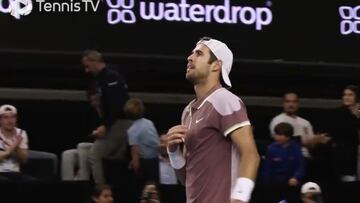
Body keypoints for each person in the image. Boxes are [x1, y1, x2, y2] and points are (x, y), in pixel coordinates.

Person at [166, 37, 260, 203]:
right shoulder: (187, 111)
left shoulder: (224, 99)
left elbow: (251, 155)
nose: (190, 57)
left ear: (216, 65)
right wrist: (173, 153)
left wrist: (239, 198)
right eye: (191, 53)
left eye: (199, 54)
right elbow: (186, 180)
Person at [82, 49, 132, 183]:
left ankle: (101, 190)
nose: (86, 70)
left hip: (120, 123)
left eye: (87, 66)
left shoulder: (111, 77)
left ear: (95, 62)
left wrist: (106, 126)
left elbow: (117, 104)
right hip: (114, 124)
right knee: (112, 158)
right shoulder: (100, 79)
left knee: (94, 155)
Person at [269, 92, 330, 158]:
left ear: (298, 104)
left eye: (294, 102)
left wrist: (318, 140)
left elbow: (311, 145)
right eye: (288, 101)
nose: (291, 104)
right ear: (283, 104)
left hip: (306, 157)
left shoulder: (305, 122)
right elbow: (280, 140)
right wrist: (307, 141)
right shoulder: (278, 120)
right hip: (286, 156)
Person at [61, 88, 100, 181]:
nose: (94, 103)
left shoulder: (109, 113)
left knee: (82, 146)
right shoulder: (92, 113)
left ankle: (83, 181)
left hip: (104, 146)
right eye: (92, 101)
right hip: (92, 146)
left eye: (96, 100)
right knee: (67, 154)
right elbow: (89, 135)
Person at [262, 122, 304, 203]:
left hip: (291, 182)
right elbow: (267, 169)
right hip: (275, 183)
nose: (276, 137)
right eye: (276, 134)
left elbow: (300, 166)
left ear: (288, 137)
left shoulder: (296, 148)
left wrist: (296, 177)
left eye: (279, 135)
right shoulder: (271, 149)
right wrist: (266, 184)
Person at [125, 98, 160, 185]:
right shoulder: (149, 123)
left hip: (146, 163)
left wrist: (136, 169)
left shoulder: (132, 130)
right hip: (156, 160)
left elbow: (135, 151)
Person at [330, 85, 360, 182]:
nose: (346, 97)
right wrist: (355, 116)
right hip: (345, 157)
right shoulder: (338, 113)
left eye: (350, 95)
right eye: (345, 94)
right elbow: (341, 132)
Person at [0, 104, 34, 182]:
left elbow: (24, 160)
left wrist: (17, 147)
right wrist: (11, 148)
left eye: (13, 117)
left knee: (34, 182)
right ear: (0, 120)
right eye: (5, 117)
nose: (10, 120)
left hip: (15, 173)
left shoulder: (21, 133)